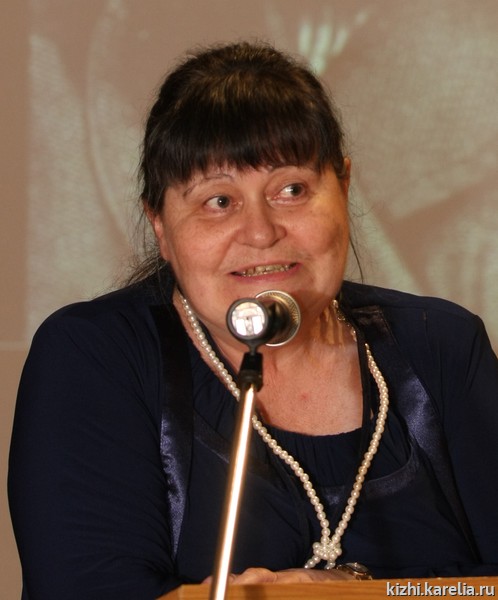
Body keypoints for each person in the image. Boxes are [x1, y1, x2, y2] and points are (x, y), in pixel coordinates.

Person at [8, 41, 498, 600]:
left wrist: (342, 589)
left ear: (343, 186)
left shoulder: (443, 346)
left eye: (291, 190)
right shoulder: (95, 356)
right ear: (160, 225)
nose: (261, 232)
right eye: (218, 201)